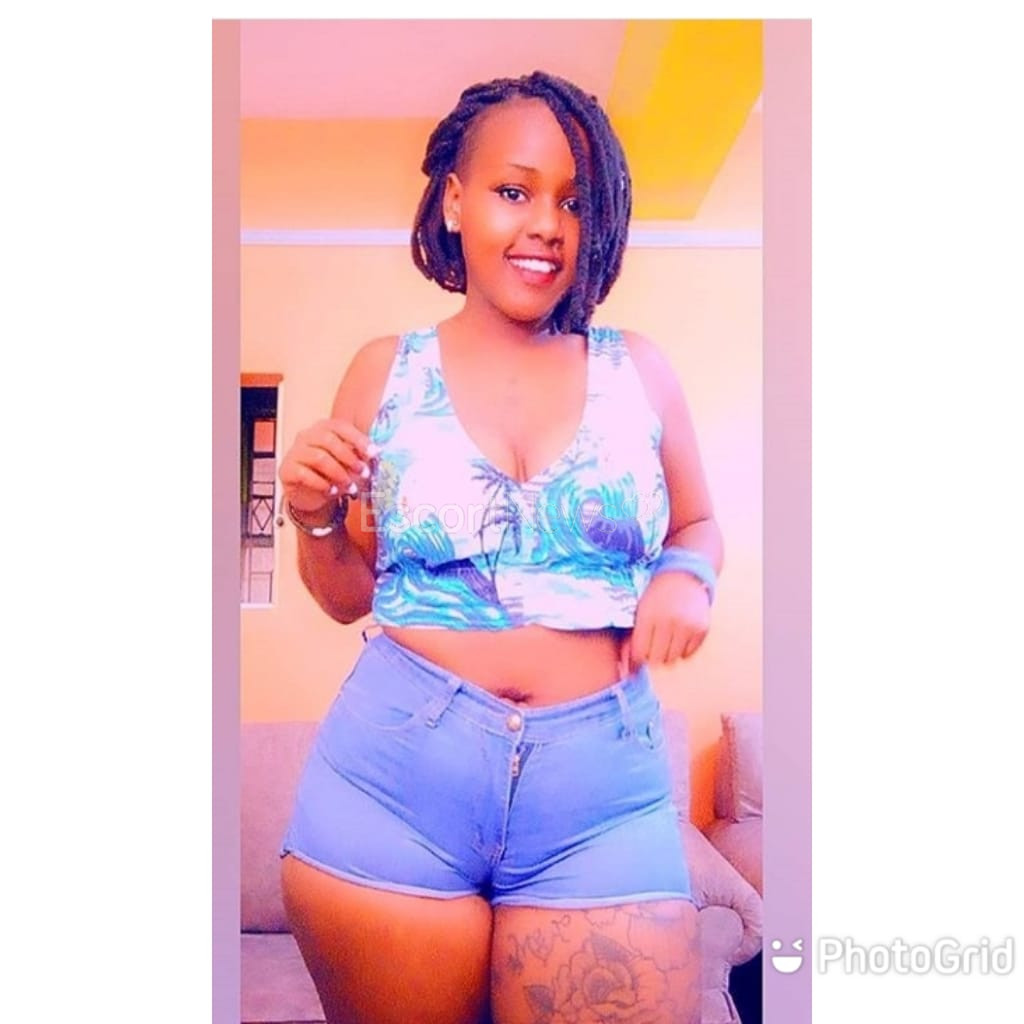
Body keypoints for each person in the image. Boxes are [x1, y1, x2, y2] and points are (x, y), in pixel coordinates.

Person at [276, 70, 723, 1024]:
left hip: (600, 793)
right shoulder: (384, 371)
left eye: (575, 201)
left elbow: (697, 525)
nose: (546, 224)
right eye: (514, 190)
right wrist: (313, 514)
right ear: (454, 201)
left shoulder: (639, 369)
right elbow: (349, 593)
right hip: (395, 780)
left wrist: (686, 578)